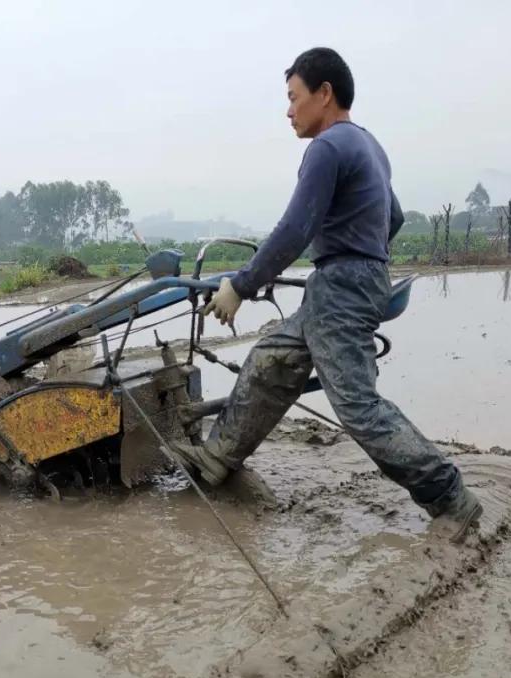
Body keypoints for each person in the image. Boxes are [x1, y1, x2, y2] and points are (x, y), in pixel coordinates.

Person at [173, 47, 482, 542]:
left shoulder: (327, 147)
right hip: (343, 281)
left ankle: (449, 496)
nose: (288, 110)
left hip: (342, 285)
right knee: (273, 361)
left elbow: (297, 226)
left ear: (325, 94)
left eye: (294, 98)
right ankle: (215, 459)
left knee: (357, 405)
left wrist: (241, 284)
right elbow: (393, 217)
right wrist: (364, 253)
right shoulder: (369, 146)